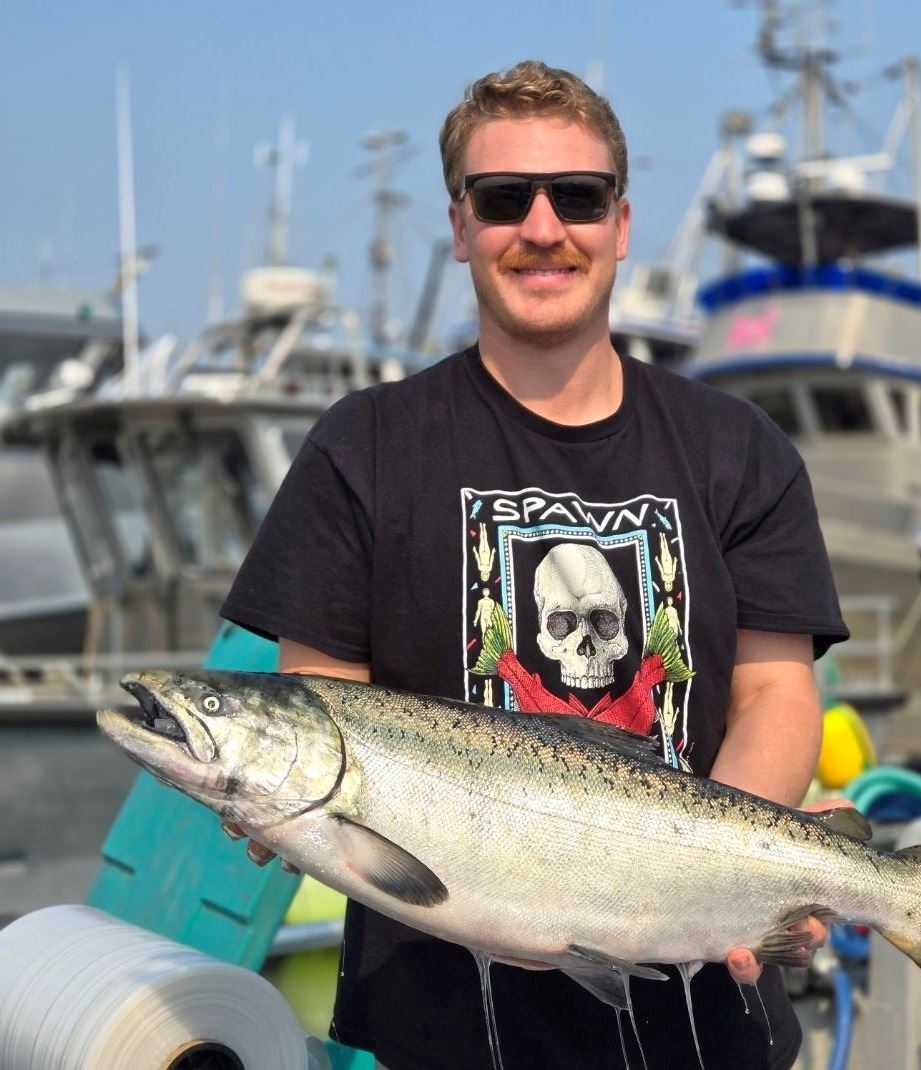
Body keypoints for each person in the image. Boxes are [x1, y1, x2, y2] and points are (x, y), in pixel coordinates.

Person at [221, 60, 849, 1070]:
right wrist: (284, 805)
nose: (544, 227)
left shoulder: (742, 448)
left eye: (579, 197)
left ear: (622, 222)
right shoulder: (363, 443)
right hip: (439, 1038)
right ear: (461, 224)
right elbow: (321, 713)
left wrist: (725, 879)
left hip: (705, 1024)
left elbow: (775, 692)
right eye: (505, 198)